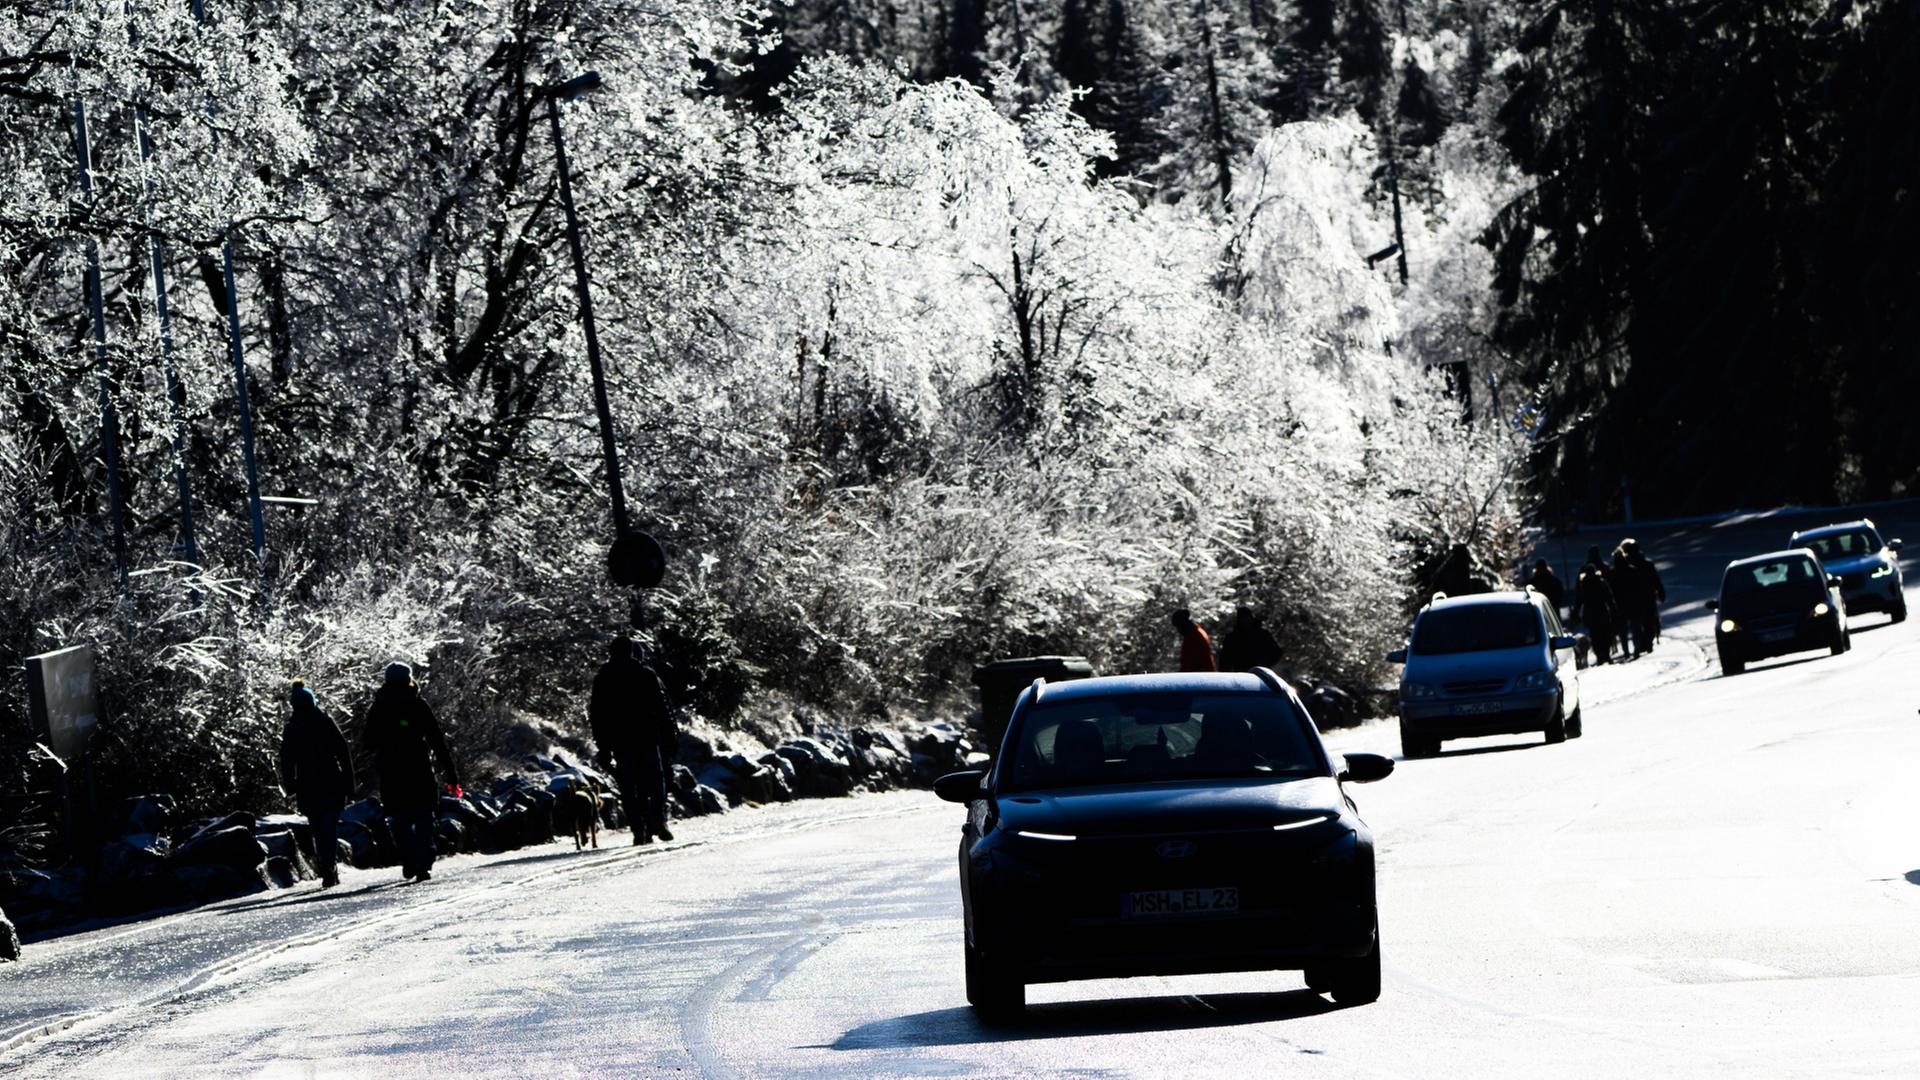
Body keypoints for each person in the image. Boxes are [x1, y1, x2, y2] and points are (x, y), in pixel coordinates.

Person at [362, 662, 460, 882]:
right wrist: (451, 774)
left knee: (399, 819)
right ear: (409, 679)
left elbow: (367, 741)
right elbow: (437, 739)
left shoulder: (379, 706)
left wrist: (386, 741)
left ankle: (408, 860)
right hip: (419, 769)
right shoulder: (418, 704)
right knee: (424, 816)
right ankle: (423, 861)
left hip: (391, 770)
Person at [590, 637, 680, 845]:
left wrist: (603, 747)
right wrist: (670, 735)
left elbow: (598, 715)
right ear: (631, 651)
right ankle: (657, 819)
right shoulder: (646, 674)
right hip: (647, 738)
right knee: (657, 783)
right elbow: (661, 708)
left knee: (629, 789)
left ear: (610, 652)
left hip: (620, 742)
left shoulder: (603, 678)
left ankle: (638, 830)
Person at [279, 681, 355, 888]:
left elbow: (286, 759)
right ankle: (330, 866)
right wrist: (350, 782)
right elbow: (343, 752)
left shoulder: (292, 728)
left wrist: (290, 784)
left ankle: (326, 866)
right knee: (329, 826)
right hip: (331, 780)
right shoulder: (325, 721)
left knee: (318, 828)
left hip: (307, 784)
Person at [1615, 539, 1666, 653]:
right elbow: (1656, 580)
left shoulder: (1628, 564)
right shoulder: (1646, 563)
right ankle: (1647, 642)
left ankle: (1644, 643)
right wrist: (1660, 592)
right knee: (1648, 622)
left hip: (1636, 599)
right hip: (1647, 597)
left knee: (1640, 622)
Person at [1572, 564, 1619, 664]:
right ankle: (1605, 655)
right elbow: (1609, 598)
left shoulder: (1583, 584)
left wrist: (1575, 614)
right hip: (1602, 613)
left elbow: (1578, 601)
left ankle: (1600, 655)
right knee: (1604, 634)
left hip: (1591, 614)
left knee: (1596, 636)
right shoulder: (1601, 582)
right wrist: (1613, 609)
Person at [1216, 607, 1282, 672]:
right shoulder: (1232, 637)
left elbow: (1276, 653)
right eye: (1242, 618)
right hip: (1241, 673)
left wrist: (1265, 665)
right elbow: (1225, 660)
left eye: (1246, 618)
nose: (1244, 620)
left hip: (1259, 673)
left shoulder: (1262, 635)